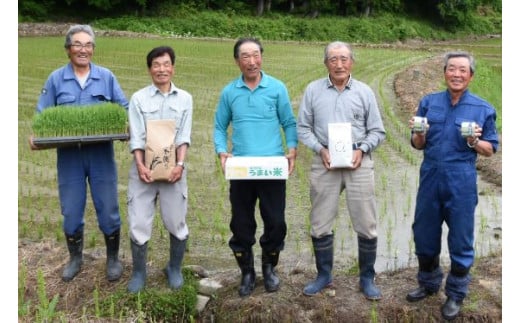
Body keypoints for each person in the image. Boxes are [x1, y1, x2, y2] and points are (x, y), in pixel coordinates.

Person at [29, 24, 128, 282]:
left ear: (93, 49)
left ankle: (113, 259)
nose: (83, 50)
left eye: (88, 45)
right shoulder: (55, 79)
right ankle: (75, 258)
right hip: (69, 157)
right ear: (68, 49)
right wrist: (37, 136)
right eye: (77, 44)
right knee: (71, 210)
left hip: (101, 155)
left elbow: (124, 108)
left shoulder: (106, 77)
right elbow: (42, 116)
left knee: (108, 208)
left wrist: (125, 125)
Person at [405, 51, 499, 320]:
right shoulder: (429, 102)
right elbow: (417, 144)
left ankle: (456, 293)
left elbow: (490, 149)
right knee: (424, 232)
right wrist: (419, 133)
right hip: (430, 176)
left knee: (460, 237)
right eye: (452, 69)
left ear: (471, 75)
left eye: (462, 70)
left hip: (461, 180)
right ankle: (428, 283)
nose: (456, 74)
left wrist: (473, 142)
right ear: (444, 72)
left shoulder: (482, 109)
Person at [297, 41, 386, 300]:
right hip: (325, 161)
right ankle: (324, 275)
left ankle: (367, 277)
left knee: (366, 222)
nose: (339, 64)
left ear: (352, 62)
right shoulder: (313, 91)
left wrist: (362, 150)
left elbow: (378, 130)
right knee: (320, 221)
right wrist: (320, 149)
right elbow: (303, 128)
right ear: (326, 63)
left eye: (344, 59)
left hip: (358, 161)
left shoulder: (364, 92)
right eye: (333, 59)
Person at [213, 37, 298, 297]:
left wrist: (292, 149)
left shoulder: (277, 88)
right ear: (237, 60)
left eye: (255, 55)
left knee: (276, 222)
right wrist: (222, 151)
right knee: (241, 224)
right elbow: (219, 126)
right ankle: (247, 272)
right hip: (241, 169)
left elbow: (289, 122)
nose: (251, 61)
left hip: (271, 167)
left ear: (262, 56)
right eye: (245, 56)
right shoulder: (230, 92)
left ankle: (269, 268)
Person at [126, 46, 193, 293]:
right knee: (138, 221)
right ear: (149, 69)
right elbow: (137, 136)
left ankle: (173, 268)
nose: (161, 69)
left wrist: (180, 165)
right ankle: (139, 273)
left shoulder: (185, 99)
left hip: (174, 171)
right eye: (156, 64)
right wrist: (141, 165)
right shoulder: (138, 99)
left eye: (166, 64)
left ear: (173, 67)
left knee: (176, 221)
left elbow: (183, 136)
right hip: (143, 171)